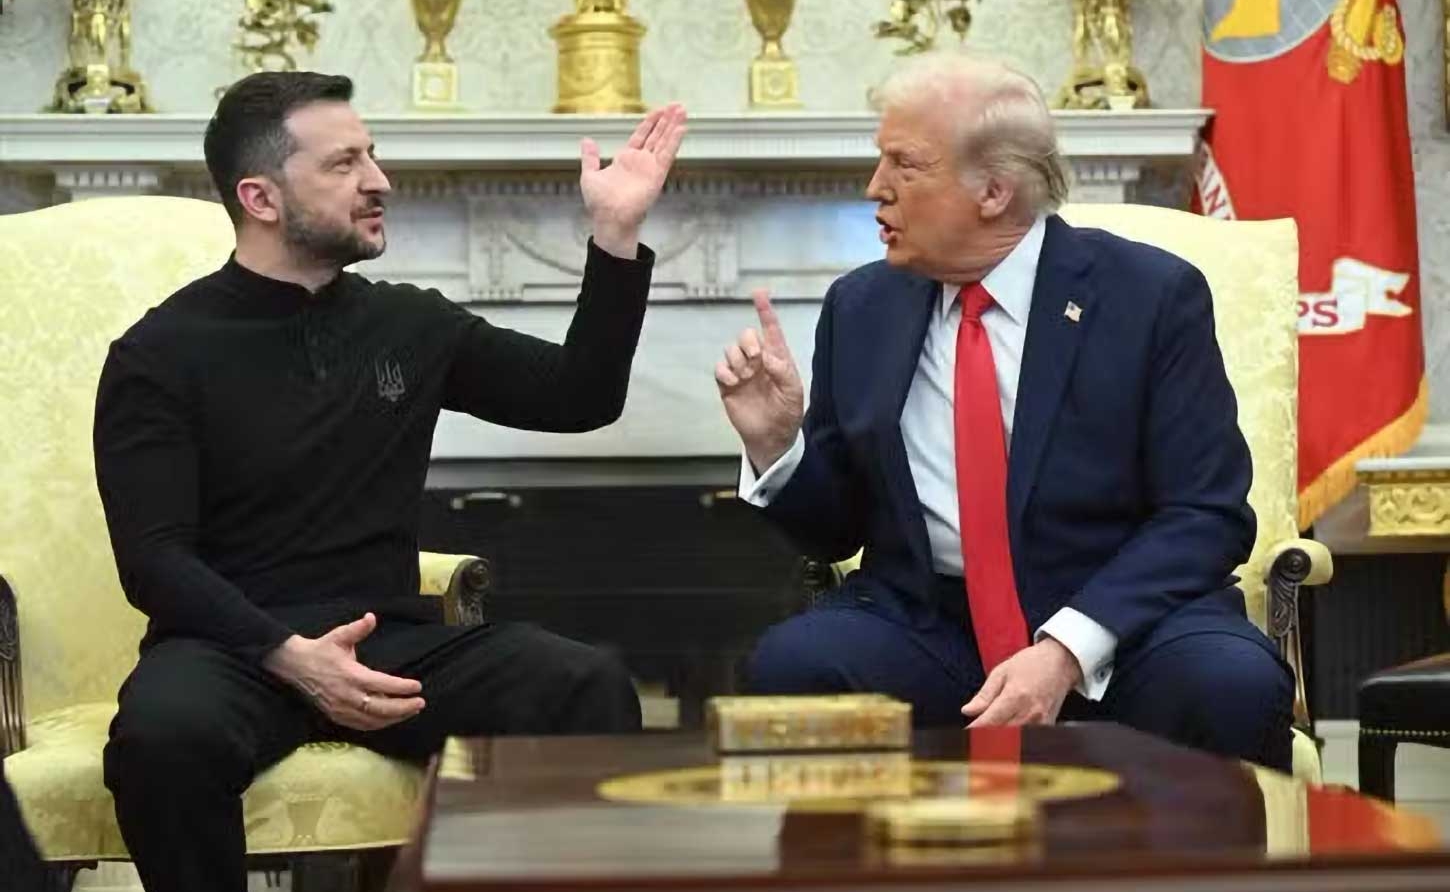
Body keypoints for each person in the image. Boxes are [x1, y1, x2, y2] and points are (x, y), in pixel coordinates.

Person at [94, 71, 686, 892]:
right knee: (161, 738)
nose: (380, 181)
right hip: (233, 649)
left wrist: (615, 235)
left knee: (581, 683)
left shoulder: (408, 323)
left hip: (391, 643)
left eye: (372, 154)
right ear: (261, 198)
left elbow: (580, 397)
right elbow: (153, 560)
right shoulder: (158, 353)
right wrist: (288, 654)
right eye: (344, 164)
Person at [714, 52, 1292, 771]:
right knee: (796, 667)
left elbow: (1206, 515)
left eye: (904, 164)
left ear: (993, 190)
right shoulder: (863, 307)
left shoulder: (1150, 295)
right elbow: (835, 532)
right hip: (931, 623)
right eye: (879, 160)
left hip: (1129, 622)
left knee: (1228, 683)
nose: (875, 189)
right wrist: (776, 446)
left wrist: (1064, 650)